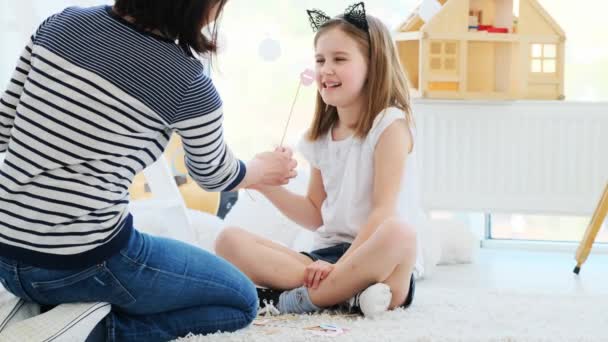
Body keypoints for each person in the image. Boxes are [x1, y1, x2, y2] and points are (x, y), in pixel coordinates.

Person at [0, 1, 297, 341]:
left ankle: (48, 310)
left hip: (8, 255)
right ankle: (93, 332)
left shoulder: (62, 23)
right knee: (241, 300)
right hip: (83, 263)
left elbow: (4, 125)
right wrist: (259, 169)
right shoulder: (186, 81)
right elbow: (214, 175)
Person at [215, 2, 422, 317]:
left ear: (374, 65)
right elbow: (315, 214)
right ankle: (347, 296)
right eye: (320, 59)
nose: (326, 69)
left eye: (339, 59)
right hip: (322, 259)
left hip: (376, 259)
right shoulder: (319, 137)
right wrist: (265, 184)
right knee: (228, 240)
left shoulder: (390, 126)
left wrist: (345, 266)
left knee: (400, 232)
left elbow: (382, 211)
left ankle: (305, 298)